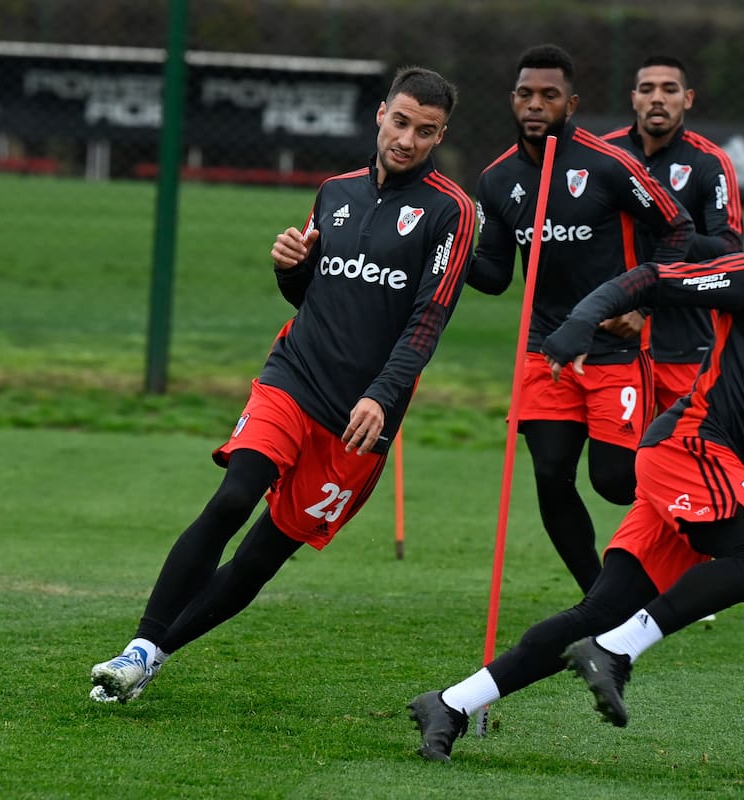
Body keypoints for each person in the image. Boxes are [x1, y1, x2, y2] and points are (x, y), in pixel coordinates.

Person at [408, 184, 744, 761]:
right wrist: (583, 321)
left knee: (598, 611)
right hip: (690, 446)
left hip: (719, 476)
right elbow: (655, 280)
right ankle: (614, 652)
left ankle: (452, 703)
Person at [89, 66, 476, 703]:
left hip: (358, 417)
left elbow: (428, 319)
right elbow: (312, 296)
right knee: (234, 495)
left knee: (258, 561)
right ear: (380, 114)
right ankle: (140, 650)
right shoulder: (335, 191)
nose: (407, 138)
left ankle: (157, 657)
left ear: (440, 136)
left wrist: (381, 395)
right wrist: (289, 269)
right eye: (401, 121)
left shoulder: (451, 212)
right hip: (293, 376)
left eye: (425, 131)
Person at [467, 44, 695, 593]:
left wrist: (640, 305)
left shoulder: (610, 164)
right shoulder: (497, 180)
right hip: (544, 350)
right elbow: (496, 275)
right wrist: (442, 249)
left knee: (616, 481)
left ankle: (692, 532)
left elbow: (677, 229)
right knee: (551, 475)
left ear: (572, 103)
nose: (535, 105)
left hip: (615, 349)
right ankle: (600, 596)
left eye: (549, 95)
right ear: (512, 100)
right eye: (525, 94)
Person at [602, 55, 744, 413]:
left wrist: (668, 231)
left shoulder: (709, 162)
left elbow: (728, 251)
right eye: (647, 89)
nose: (657, 98)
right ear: (634, 98)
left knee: (679, 456)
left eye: (670, 89)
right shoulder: (605, 155)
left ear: (688, 98)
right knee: (614, 465)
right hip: (612, 336)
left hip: (682, 345)